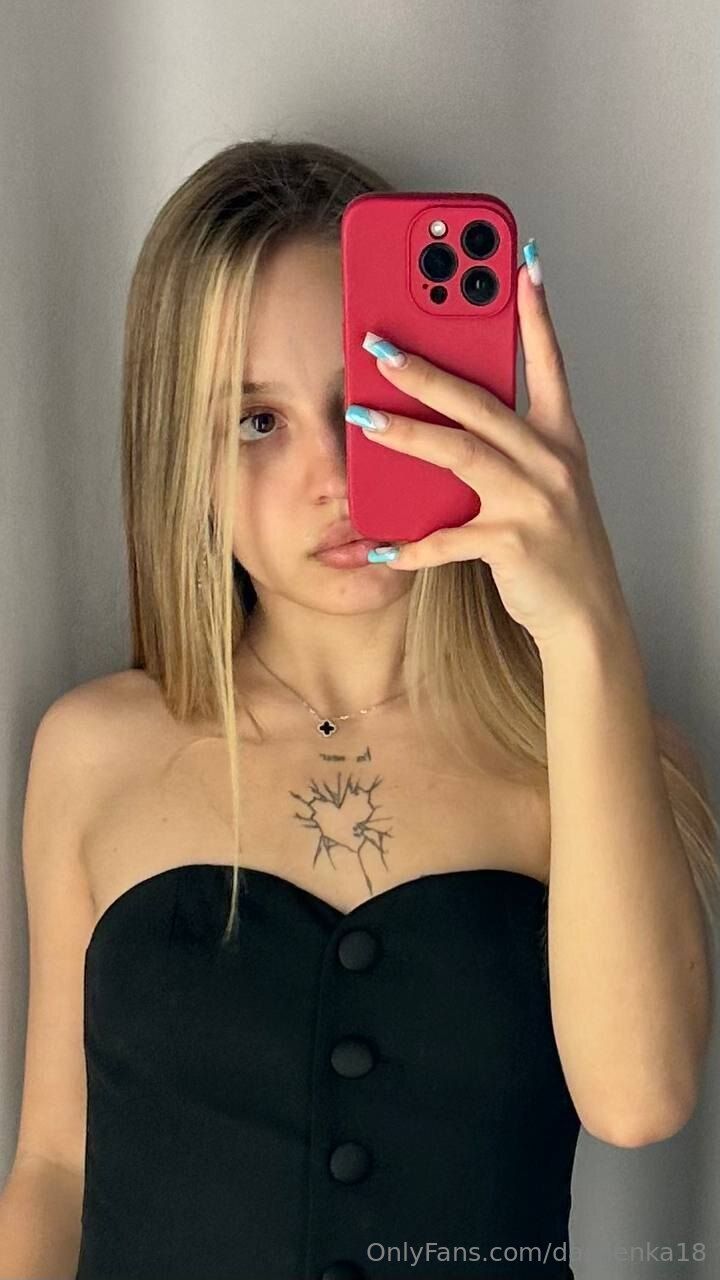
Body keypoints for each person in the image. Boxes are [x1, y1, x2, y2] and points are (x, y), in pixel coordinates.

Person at [1, 137, 717, 1280]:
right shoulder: (94, 750)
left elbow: (642, 1099)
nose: (333, 473)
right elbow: (53, 1164)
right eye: (256, 422)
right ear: (178, 458)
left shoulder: (589, 746)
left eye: (371, 399)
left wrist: (583, 620)